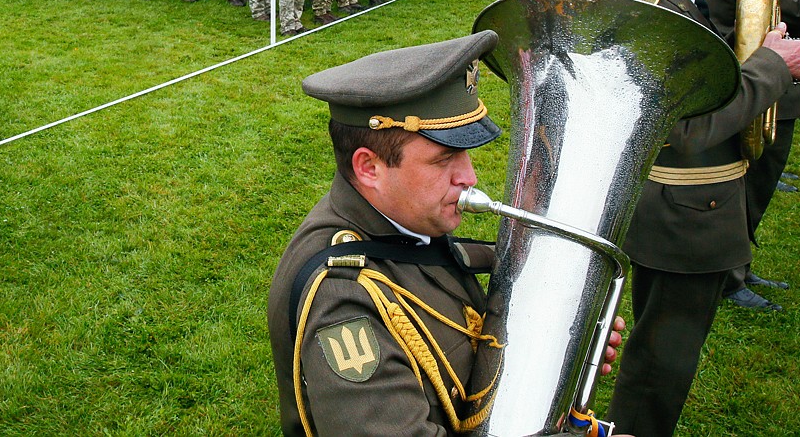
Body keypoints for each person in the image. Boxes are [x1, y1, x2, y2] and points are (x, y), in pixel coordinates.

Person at [267, 33, 626, 436]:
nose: (469, 177)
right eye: (444, 160)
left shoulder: (405, 224)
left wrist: (557, 328)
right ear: (369, 168)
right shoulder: (343, 300)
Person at [600, 0, 800, 435]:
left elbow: (705, 87)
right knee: (661, 363)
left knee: (665, 353)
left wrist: (762, 56)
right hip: (685, 216)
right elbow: (687, 130)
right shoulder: (656, 13)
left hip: (690, 212)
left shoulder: (675, 1)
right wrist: (773, 67)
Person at [703, 0, 800, 311]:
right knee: (751, 186)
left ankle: (739, 266)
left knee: (758, 184)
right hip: (764, 81)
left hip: (773, 82)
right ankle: (729, 277)